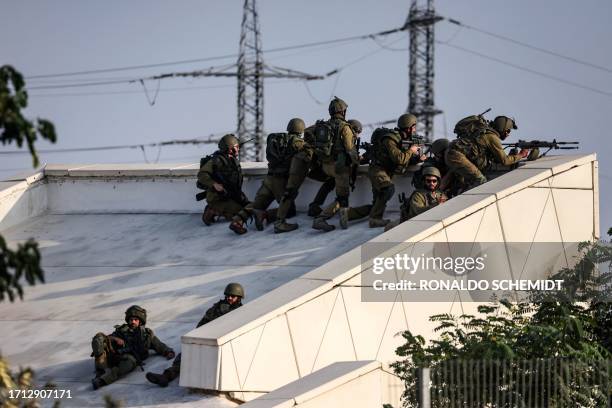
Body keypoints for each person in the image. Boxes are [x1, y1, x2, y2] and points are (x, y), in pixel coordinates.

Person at [145, 283, 245, 387]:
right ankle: (166, 376)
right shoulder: (217, 308)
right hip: (208, 339)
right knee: (186, 354)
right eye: (227, 295)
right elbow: (203, 323)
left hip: (225, 344)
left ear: (239, 298)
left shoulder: (241, 312)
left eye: (232, 296)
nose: (229, 298)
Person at [91, 305, 174, 390]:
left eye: (136, 320)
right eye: (131, 320)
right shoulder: (122, 330)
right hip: (113, 355)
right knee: (99, 338)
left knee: (130, 362)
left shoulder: (146, 335)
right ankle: (100, 369)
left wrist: (168, 352)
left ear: (140, 321)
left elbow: (159, 345)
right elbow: (108, 338)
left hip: (128, 359)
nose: (133, 322)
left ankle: (102, 380)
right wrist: (116, 338)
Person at [445, 115, 529, 193]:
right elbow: (504, 160)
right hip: (457, 156)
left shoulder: (484, 131)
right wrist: (521, 155)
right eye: (508, 130)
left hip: (453, 153)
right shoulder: (492, 137)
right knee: (481, 180)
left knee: (465, 181)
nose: (508, 134)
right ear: (503, 128)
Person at [247, 118, 305, 231]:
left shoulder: (276, 139)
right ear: (301, 130)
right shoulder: (298, 143)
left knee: (257, 206)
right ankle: (266, 216)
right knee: (289, 210)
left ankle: (238, 219)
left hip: (269, 177)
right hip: (281, 181)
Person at [311, 97, 359, 232]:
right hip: (339, 167)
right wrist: (357, 160)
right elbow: (350, 149)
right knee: (342, 197)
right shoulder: (345, 127)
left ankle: (315, 207)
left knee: (335, 189)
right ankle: (321, 219)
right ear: (342, 111)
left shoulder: (324, 125)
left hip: (325, 165)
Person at [366, 113, 422, 228]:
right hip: (377, 169)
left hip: (386, 170)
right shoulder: (390, 139)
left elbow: (405, 159)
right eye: (414, 126)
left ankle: (350, 213)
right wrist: (411, 151)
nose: (415, 129)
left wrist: (417, 158)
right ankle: (374, 219)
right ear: (408, 127)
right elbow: (399, 158)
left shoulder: (404, 139)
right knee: (387, 189)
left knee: (377, 198)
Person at [197, 134, 251, 235]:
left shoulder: (232, 160)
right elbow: (202, 174)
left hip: (231, 194)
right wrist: (214, 184)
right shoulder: (216, 160)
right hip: (218, 198)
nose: (239, 149)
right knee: (241, 212)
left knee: (250, 206)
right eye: (236, 147)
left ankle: (220, 211)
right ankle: (213, 210)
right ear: (230, 149)